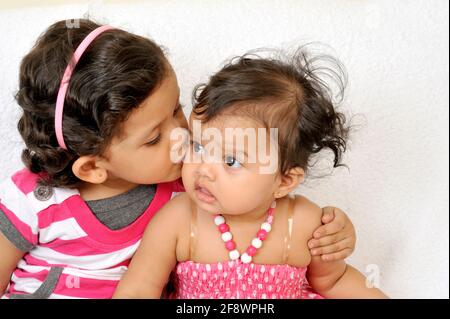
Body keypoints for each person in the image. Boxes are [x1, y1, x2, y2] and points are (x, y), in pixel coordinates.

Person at [0, 19, 356, 299]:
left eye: (177, 110)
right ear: (93, 167)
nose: (181, 136)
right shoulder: (34, 200)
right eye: (155, 137)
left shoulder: (189, 188)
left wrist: (333, 229)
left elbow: (259, 209)